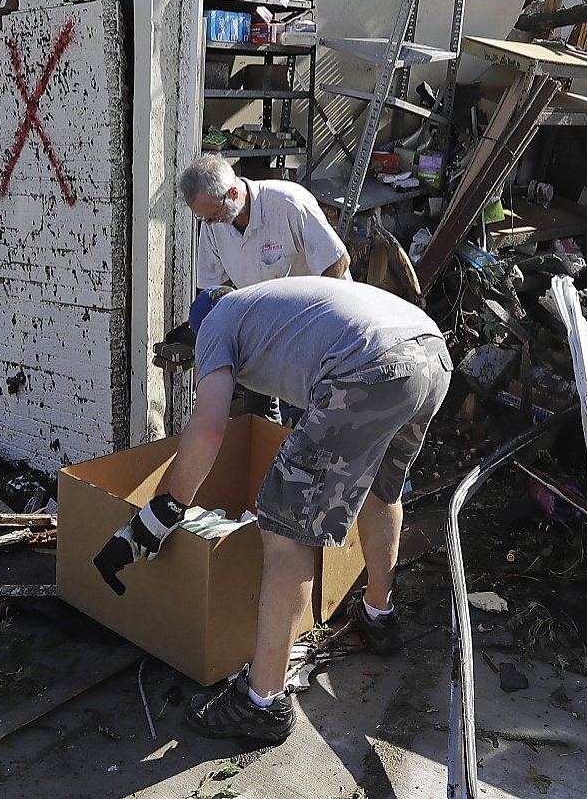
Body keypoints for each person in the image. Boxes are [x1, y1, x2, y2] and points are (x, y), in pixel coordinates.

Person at [93, 275, 451, 745]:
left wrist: (166, 509)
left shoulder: (217, 323)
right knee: (383, 491)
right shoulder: (271, 306)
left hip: (370, 367)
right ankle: (379, 615)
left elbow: (206, 429)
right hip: (430, 355)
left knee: (284, 528)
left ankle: (261, 702)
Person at [180, 153, 348, 291]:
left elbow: (337, 261)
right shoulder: (213, 222)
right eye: (204, 217)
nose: (210, 222)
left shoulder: (289, 204)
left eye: (214, 213)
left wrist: (312, 316)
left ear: (233, 193)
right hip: (271, 316)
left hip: (322, 310)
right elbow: (216, 290)